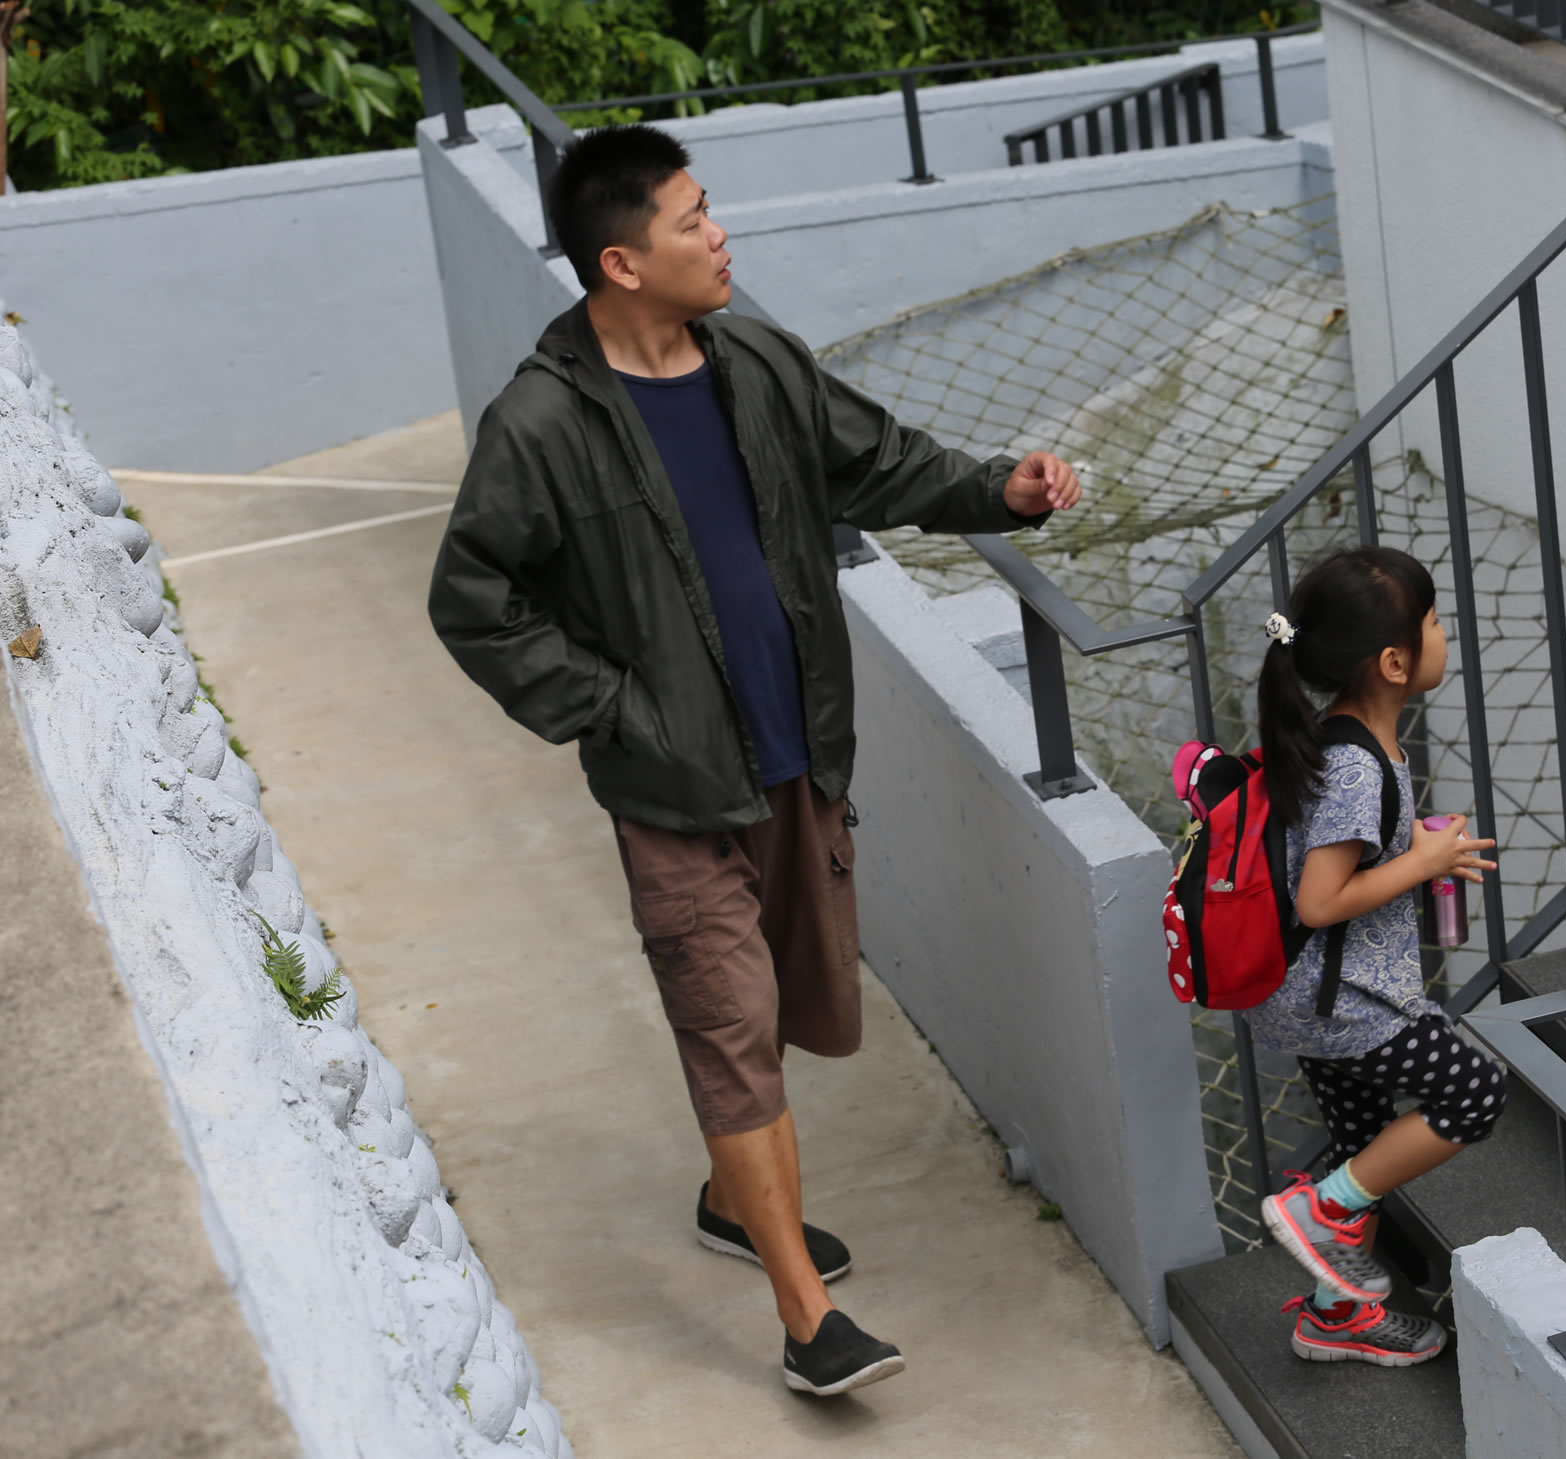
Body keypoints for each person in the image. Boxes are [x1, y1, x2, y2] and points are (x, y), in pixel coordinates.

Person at [425, 124, 1082, 1395]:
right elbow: (474, 602)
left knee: (771, 1009)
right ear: (622, 262)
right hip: (670, 787)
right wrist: (612, 707)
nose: (718, 234)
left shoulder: (759, 363)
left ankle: (733, 1202)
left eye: (707, 208)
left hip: (796, 764)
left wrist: (999, 489)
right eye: (690, 221)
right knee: (726, 1025)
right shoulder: (541, 423)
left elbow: (878, 461)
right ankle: (805, 1320)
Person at [1247, 547, 1504, 1365]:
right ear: (1394, 662)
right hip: (1344, 1001)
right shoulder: (1356, 765)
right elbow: (1319, 901)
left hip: (1315, 994)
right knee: (1473, 1092)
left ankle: (1334, 1315)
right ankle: (1319, 1210)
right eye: (1431, 620)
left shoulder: (1348, 741)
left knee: (1363, 1144)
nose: (1442, 632)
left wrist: (1414, 852)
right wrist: (1422, 863)